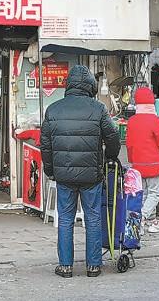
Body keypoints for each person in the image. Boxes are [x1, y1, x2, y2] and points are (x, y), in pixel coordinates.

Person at [41, 65, 121, 278]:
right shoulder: (98, 109)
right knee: (93, 217)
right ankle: (93, 265)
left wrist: (51, 171)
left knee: (65, 219)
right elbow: (112, 137)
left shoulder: (53, 109)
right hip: (91, 175)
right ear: (90, 86)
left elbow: (46, 146)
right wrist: (111, 156)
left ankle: (65, 266)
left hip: (64, 176)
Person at [125, 87, 159, 234]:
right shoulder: (155, 120)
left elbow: (129, 144)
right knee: (155, 193)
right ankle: (141, 218)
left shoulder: (132, 121)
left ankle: (151, 223)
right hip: (153, 164)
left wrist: (132, 161)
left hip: (137, 165)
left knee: (144, 194)